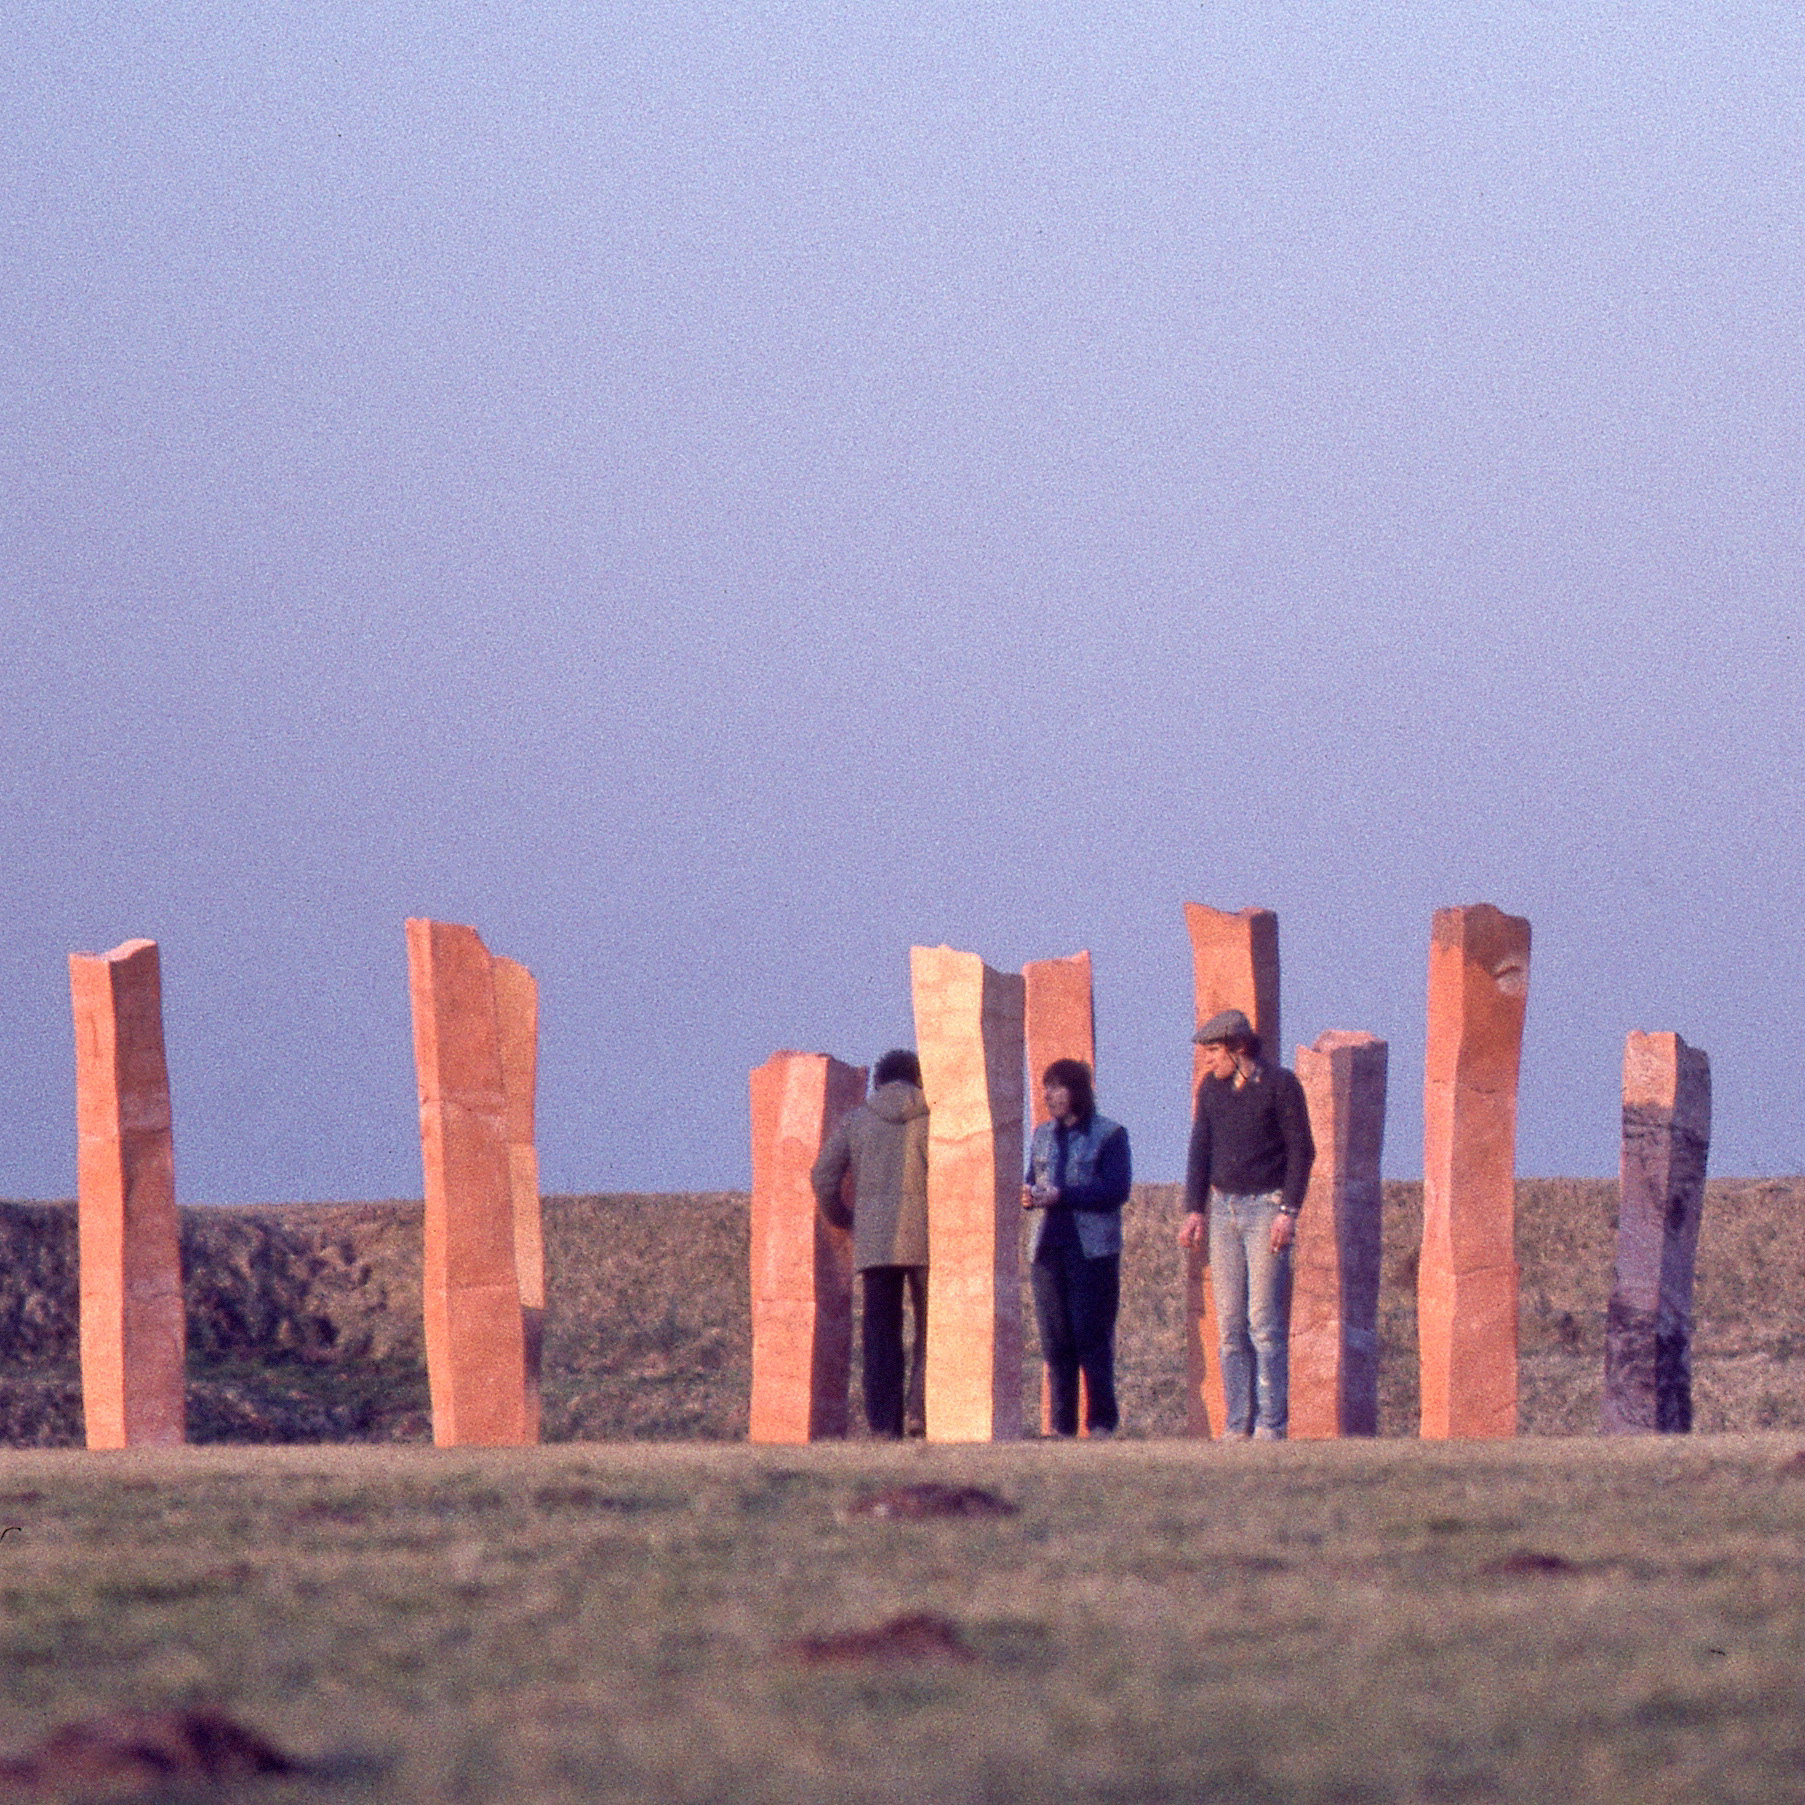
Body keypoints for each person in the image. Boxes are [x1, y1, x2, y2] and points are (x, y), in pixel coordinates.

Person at [1177, 1009, 1314, 1441]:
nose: (1207, 1060)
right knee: (1231, 1325)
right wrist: (1194, 1209)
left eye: (1214, 1051)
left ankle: (1271, 1425)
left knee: (1263, 1323)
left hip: (1265, 1209)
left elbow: (1301, 1152)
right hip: (1222, 1210)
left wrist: (1288, 1212)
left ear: (1239, 1049)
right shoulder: (1211, 1090)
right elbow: (1200, 1150)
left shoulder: (1280, 1085)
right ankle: (1236, 1426)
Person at [811, 1050, 931, 1438]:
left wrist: (842, 1217)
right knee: (932, 1331)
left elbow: (823, 1176)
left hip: (876, 1242)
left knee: (881, 1335)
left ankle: (884, 1424)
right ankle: (921, 1412)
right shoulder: (934, 1118)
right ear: (919, 1080)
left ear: (878, 1081)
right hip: (930, 1240)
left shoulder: (857, 1120)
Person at [1022, 1058, 1132, 1439]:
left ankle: (1101, 1423)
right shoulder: (1041, 1135)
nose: (1049, 1095)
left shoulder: (1110, 1135)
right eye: (1045, 1087)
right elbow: (1030, 1179)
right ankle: (1061, 1426)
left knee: (1091, 1336)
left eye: (1057, 1087)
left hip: (1092, 1251)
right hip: (1046, 1250)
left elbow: (1116, 1191)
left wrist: (1062, 1195)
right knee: (1055, 1340)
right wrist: (1028, 1195)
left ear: (1077, 1092)